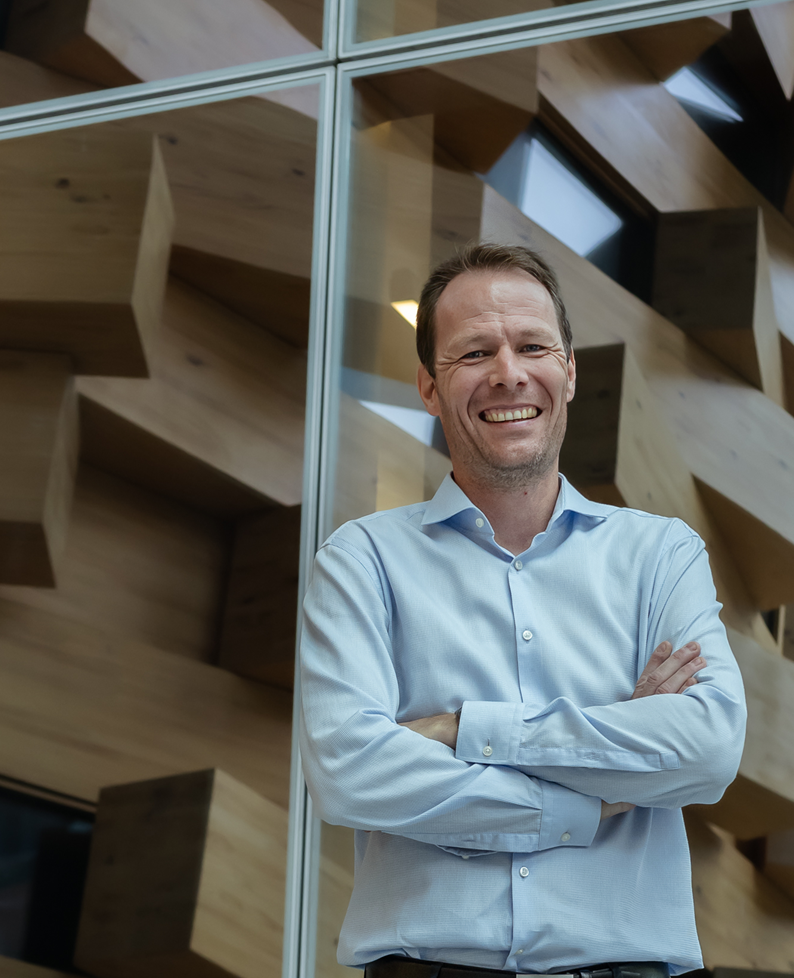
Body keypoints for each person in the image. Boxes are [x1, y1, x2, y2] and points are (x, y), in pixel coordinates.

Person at [299, 243, 747, 978]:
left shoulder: (661, 555)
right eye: (473, 352)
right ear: (428, 386)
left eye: (532, 345)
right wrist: (598, 782)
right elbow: (350, 771)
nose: (508, 373)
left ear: (568, 371)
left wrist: (461, 729)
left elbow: (703, 751)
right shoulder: (363, 561)